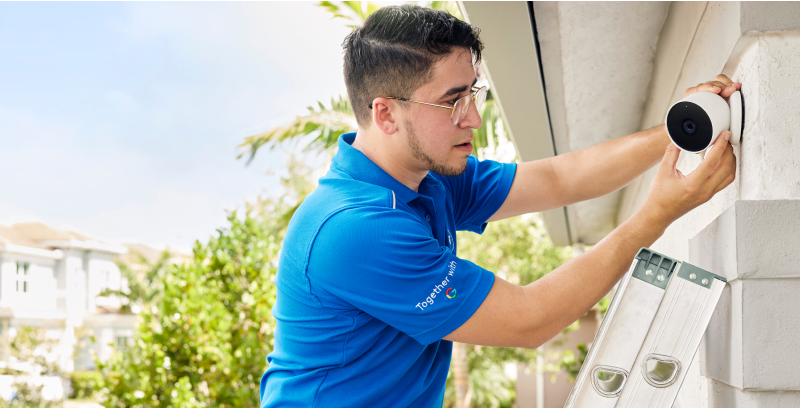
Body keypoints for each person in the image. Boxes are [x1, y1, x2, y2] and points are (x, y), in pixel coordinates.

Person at [259, 4, 738, 407]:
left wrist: (683, 126)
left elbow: (558, 179)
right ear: (385, 113)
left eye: (473, 93)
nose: (472, 117)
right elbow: (531, 320)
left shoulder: (428, 180)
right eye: (452, 101)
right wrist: (658, 213)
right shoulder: (354, 228)